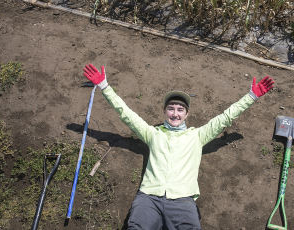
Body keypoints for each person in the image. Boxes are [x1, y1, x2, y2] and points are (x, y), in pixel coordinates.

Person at [83, 64, 274, 230]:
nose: (175, 114)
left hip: (183, 200)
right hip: (149, 198)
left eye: (180, 109)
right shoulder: (152, 133)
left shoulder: (197, 135)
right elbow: (125, 113)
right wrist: (105, 87)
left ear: (186, 114)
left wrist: (251, 96)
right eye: (171, 108)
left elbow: (225, 118)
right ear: (165, 111)